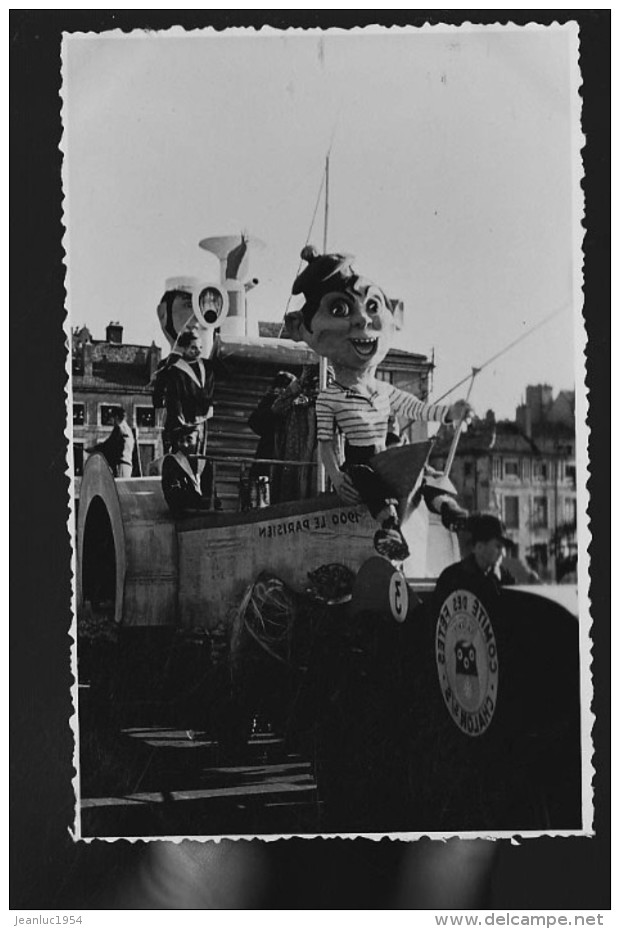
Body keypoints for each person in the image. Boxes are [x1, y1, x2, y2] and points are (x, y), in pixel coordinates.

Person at [285, 246, 472, 560]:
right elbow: (326, 443)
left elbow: (419, 409)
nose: (362, 320)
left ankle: (447, 508)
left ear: (393, 314)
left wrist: (450, 414)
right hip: (360, 463)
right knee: (364, 477)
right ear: (303, 329)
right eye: (341, 310)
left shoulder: (384, 391)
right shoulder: (330, 396)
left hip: (387, 459)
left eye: (372, 305)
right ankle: (389, 528)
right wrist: (336, 476)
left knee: (423, 470)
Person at [434, 512, 514, 609]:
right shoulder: (452, 578)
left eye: (503, 548)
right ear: (479, 547)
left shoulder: (505, 579)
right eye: (498, 546)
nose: (502, 553)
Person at [162, 329, 215, 456]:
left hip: (201, 420)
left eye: (200, 347)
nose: (198, 351)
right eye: (193, 348)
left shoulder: (206, 367)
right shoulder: (174, 371)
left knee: (199, 454)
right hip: (182, 423)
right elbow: (173, 399)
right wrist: (181, 421)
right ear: (184, 348)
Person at [161, 424, 216, 517]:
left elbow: (210, 491)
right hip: (181, 514)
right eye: (181, 441)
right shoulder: (171, 461)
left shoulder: (205, 462)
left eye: (189, 440)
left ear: (198, 441)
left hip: (202, 513)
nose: (185, 445)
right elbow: (173, 494)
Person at [86, 406, 135, 478]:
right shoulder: (127, 429)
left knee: (119, 487)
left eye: (111, 417)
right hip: (127, 465)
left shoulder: (119, 428)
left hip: (120, 465)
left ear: (116, 417)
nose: (110, 420)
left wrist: (93, 449)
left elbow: (108, 445)